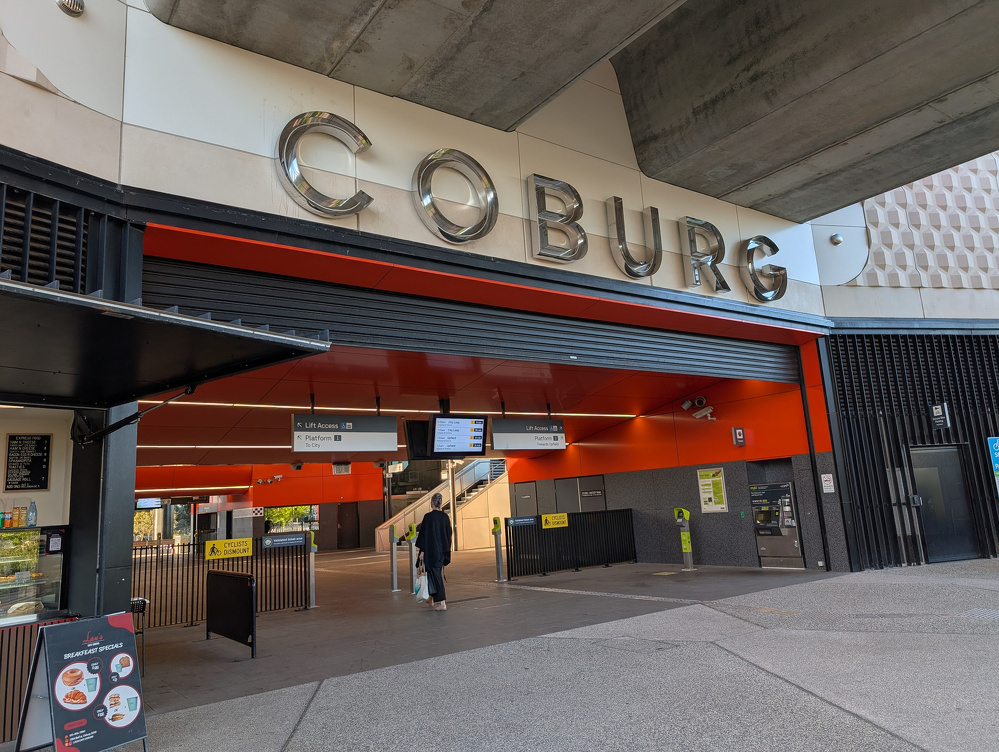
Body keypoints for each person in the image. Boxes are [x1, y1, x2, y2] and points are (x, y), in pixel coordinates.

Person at [415, 493, 452, 611]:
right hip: (442, 551)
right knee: (432, 574)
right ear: (440, 503)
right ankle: (431, 598)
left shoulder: (428, 517)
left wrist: (422, 551)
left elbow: (424, 536)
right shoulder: (445, 517)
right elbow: (448, 534)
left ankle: (442, 602)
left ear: (432, 503)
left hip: (431, 551)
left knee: (435, 576)